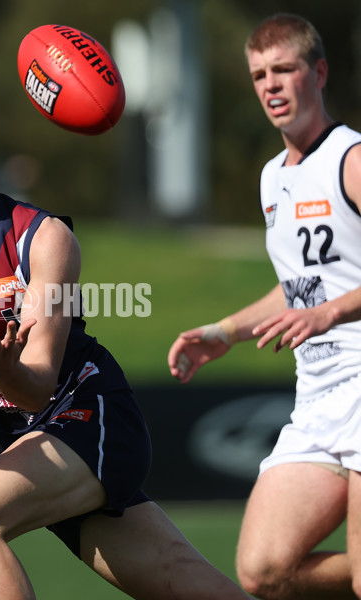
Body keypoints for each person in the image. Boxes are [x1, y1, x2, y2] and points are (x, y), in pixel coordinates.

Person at [0, 91, 249, 599]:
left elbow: (38, 387)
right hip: (34, 448)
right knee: (194, 588)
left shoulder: (42, 238)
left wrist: (1, 369)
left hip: (91, 418)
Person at [168, 13, 361, 600]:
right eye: (259, 75)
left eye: (285, 69)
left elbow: (319, 302)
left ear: (319, 73)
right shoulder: (271, 178)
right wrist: (227, 331)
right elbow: (299, 284)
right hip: (318, 397)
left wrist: (328, 313)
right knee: (263, 572)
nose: (271, 85)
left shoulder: (351, 160)